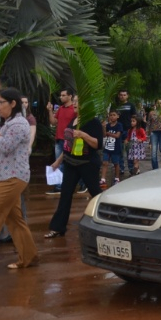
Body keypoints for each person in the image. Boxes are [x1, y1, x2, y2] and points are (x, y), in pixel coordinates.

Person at [47, 102, 104, 238]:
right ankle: (57, 227)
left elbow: (98, 144)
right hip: (70, 163)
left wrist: (83, 135)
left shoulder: (93, 122)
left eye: (79, 101)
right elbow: (68, 145)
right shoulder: (73, 120)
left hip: (87, 163)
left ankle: (106, 221)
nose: (75, 104)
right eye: (74, 101)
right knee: (65, 194)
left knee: (95, 193)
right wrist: (58, 161)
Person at [0, 88, 39, 268]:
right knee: (14, 219)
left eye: (0, 103)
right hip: (5, 176)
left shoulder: (19, 124)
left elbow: (6, 146)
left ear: (12, 104)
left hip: (14, 176)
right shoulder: (6, 123)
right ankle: (28, 258)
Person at [46, 87, 77, 194]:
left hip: (69, 140)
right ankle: (59, 186)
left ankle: (62, 186)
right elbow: (53, 122)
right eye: (61, 95)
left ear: (70, 96)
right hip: (59, 138)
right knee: (58, 162)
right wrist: (50, 111)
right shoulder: (61, 108)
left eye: (64, 95)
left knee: (67, 163)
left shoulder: (74, 109)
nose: (61, 97)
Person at [113, 89, 137, 178]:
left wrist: (134, 128)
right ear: (119, 96)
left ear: (127, 96)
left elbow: (134, 116)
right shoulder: (116, 105)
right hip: (118, 130)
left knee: (129, 150)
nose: (122, 96)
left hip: (128, 130)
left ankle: (131, 168)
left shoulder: (131, 105)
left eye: (124, 95)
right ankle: (121, 168)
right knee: (119, 150)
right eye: (121, 95)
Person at [100, 110, 123, 186]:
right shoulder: (108, 125)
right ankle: (103, 179)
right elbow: (104, 135)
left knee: (116, 163)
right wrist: (103, 127)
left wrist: (108, 133)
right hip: (107, 147)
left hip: (115, 148)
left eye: (114, 115)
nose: (112, 116)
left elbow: (117, 135)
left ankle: (117, 178)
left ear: (117, 116)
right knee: (105, 162)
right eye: (111, 115)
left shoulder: (119, 125)